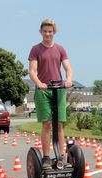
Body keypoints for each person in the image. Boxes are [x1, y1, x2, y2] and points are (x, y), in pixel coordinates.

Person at [28, 19, 73, 169]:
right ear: (41, 32)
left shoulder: (60, 49)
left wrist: (68, 79)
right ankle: (46, 157)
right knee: (47, 124)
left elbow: (67, 68)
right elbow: (32, 71)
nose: (48, 34)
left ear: (54, 32)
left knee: (59, 124)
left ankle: (62, 156)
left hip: (59, 89)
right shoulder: (36, 49)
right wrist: (39, 83)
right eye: (45, 31)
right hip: (43, 90)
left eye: (50, 31)